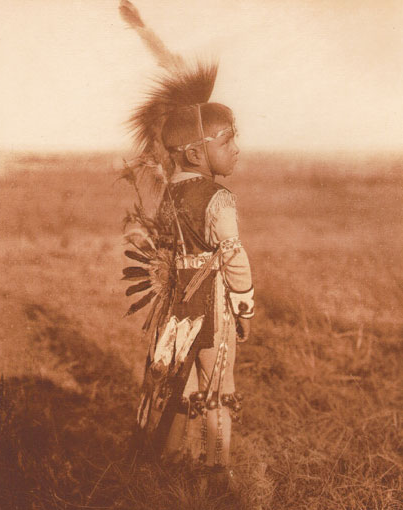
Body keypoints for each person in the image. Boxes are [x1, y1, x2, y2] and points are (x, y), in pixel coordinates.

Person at [119, 1, 254, 480]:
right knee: (217, 380)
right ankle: (217, 469)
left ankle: (168, 456)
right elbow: (233, 256)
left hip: (177, 302)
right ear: (198, 151)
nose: (236, 148)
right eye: (227, 140)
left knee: (178, 376)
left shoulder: (168, 192)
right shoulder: (219, 198)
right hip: (213, 305)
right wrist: (244, 301)